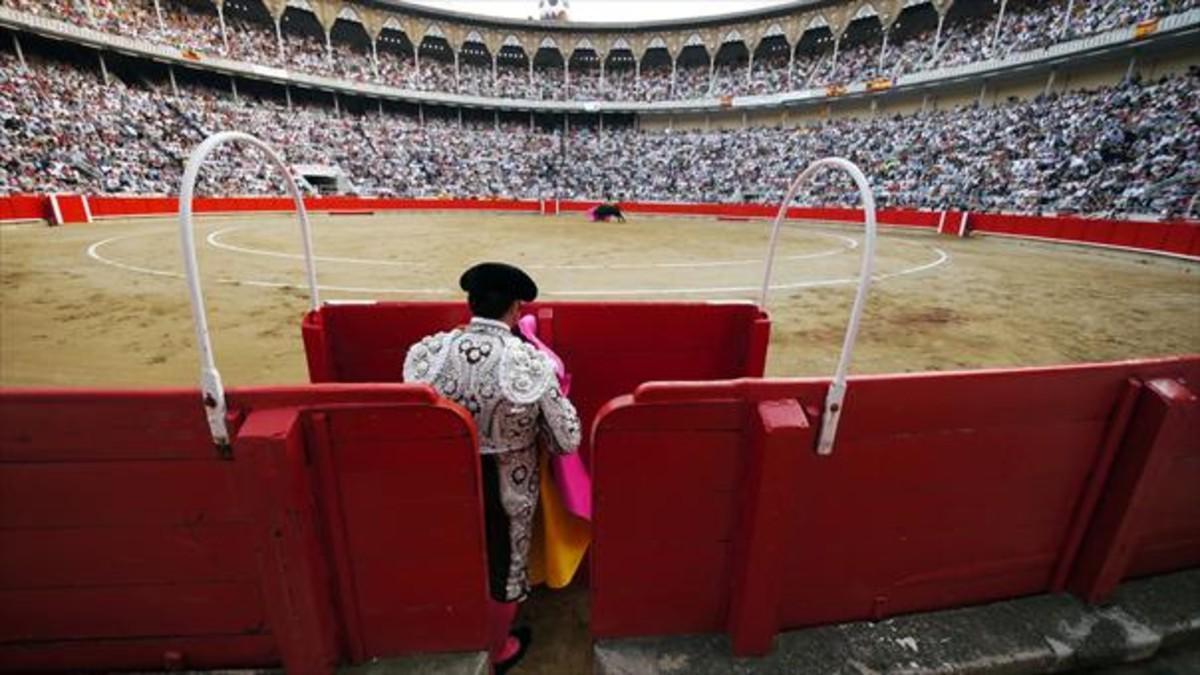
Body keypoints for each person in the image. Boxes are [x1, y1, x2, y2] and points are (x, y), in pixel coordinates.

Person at [402, 262, 582, 673]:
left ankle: (453, 630)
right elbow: (566, 439)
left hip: (444, 479)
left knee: (450, 553)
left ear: (470, 304)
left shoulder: (426, 354)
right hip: (510, 483)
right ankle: (498, 650)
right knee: (505, 566)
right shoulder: (530, 363)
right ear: (517, 310)